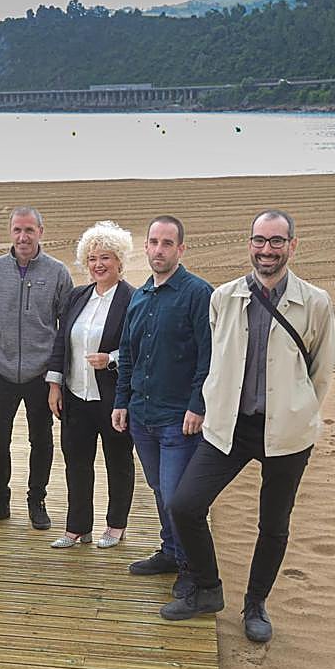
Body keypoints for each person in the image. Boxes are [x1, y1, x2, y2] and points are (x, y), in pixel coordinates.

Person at [162, 209, 335, 643]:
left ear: (292, 246)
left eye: (277, 241)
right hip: (230, 428)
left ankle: (255, 605)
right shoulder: (224, 297)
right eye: (260, 240)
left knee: (274, 524)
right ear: (250, 244)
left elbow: (321, 371)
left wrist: (298, 411)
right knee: (185, 505)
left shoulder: (315, 302)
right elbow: (218, 357)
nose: (267, 250)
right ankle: (207, 588)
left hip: (287, 433)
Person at [111, 216, 213, 598]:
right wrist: (122, 402)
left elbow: (209, 356)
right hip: (142, 416)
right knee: (157, 489)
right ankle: (170, 551)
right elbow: (130, 355)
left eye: (167, 243)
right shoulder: (140, 296)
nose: (158, 249)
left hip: (178, 420)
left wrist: (198, 405)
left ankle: (191, 569)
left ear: (181, 249)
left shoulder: (198, 293)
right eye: (153, 242)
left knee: (177, 497)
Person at [0, 206, 74, 530]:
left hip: (39, 376)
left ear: (40, 232)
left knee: (41, 441)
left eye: (29, 230)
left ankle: (37, 500)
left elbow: (65, 327)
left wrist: (54, 375)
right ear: (10, 232)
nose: (23, 236)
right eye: (17, 230)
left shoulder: (57, 273)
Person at [45, 221, 136, 549]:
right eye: (93, 258)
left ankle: (116, 525)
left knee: (118, 462)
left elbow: (140, 348)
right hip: (75, 396)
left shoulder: (132, 299)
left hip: (113, 399)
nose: (99, 264)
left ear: (120, 261)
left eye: (106, 258)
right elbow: (61, 341)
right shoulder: (76, 296)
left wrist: (111, 358)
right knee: (76, 462)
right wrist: (55, 385)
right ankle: (77, 527)